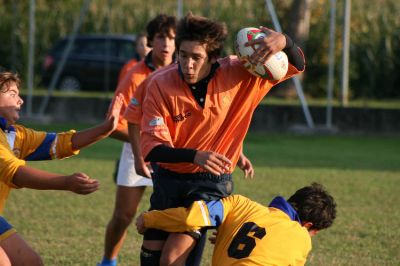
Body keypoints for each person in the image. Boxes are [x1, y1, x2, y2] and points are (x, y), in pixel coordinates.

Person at [138, 12, 306, 265]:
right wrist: (195, 155)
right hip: (168, 180)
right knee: (151, 257)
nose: (188, 64)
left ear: (213, 58)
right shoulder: (160, 84)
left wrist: (284, 41)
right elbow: (153, 149)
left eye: (197, 57)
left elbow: (297, 65)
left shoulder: (242, 74)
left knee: (172, 258)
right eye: (183, 56)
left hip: (210, 183)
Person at [0, 71, 123, 265]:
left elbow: (61, 142)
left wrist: (105, 128)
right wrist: (66, 182)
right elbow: (15, 173)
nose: (21, 100)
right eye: (13, 94)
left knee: (31, 262)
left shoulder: (15, 135)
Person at [98, 14, 177, 266]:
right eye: (161, 37)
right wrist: (142, 147)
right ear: (151, 41)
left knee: (172, 217)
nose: (166, 43)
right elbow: (114, 125)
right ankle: (108, 261)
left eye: (172, 38)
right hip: (136, 151)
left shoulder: (184, 71)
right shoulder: (135, 76)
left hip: (175, 154)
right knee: (123, 216)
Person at [136, 183, 337, 266]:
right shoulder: (302, 238)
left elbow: (191, 219)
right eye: (314, 233)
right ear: (308, 225)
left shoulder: (240, 204)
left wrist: (149, 219)